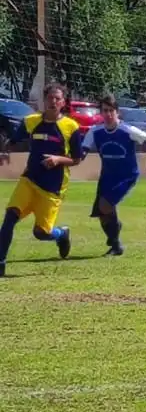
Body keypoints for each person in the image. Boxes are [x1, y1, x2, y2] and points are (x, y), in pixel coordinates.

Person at [0, 83, 81, 276]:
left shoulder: (71, 127)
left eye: (57, 98)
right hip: (29, 180)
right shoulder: (31, 121)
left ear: (63, 102)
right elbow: (12, 140)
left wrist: (58, 160)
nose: (53, 101)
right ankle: (1, 262)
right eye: (49, 98)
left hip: (52, 188)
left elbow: (77, 159)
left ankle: (61, 234)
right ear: (44, 101)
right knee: (10, 217)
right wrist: (5, 149)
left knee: (41, 232)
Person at [82, 95, 146, 256]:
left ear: (117, 112)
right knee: (102, 215)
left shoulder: (127, 130)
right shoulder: (95, 132)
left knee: (105, 206)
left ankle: (116, 243)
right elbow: (83, 150)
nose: (108, 114)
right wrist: (71, 159)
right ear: (101, 113)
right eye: (105, 111)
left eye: (111, 110)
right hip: (107, 177)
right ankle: (115, 235)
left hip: (126, 176)